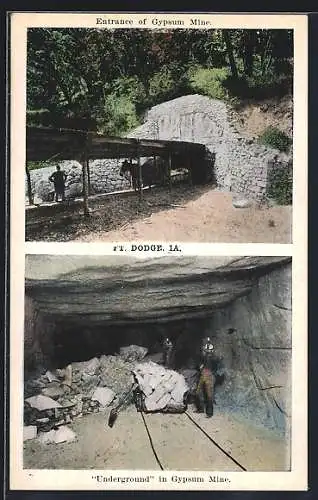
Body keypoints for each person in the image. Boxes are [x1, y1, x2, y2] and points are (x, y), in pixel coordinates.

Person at [195, 337, 224, 418]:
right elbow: (199, 359)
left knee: (209, 395)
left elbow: (219, 362)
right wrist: (200, 366)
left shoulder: (213, 358)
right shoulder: (204, 357)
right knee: (197, 393)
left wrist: (218, 373)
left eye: (205, 350)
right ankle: (200, 409)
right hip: (203, 375)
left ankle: (209, 413)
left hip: (210, 376)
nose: (204, 351)